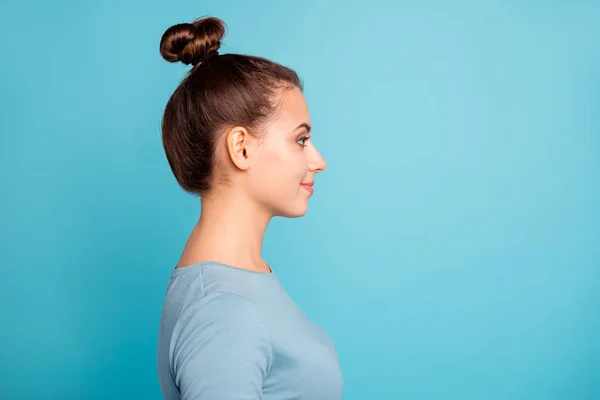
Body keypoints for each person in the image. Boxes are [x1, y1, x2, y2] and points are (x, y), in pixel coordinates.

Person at [156, 16, 344, 400]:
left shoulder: (237, 285)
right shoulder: (223, 311)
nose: (318, 160)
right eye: (301, 139)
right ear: (241, 148)